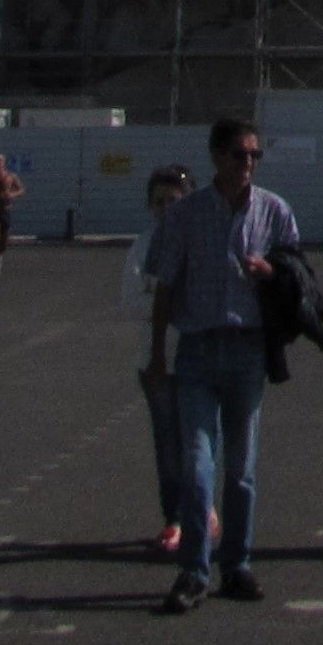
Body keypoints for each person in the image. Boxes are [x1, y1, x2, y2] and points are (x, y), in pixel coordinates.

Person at [141, 119, 302, 614]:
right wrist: (157, 354)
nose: (247, 163)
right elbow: (165, 284)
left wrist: (271, 271)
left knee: (242, 469)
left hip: (248, 348)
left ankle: (237, 563)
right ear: (215, 157)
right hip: (198, 347)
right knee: (197, 464)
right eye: (238, 154)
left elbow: (297, 274)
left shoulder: (273, 210)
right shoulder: (186, 215)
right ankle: (193, 569)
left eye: (254, 155)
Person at [121, 164, 198, 559]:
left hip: (198, 355)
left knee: (198, 443)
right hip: (156, 359)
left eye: (174, 201)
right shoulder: (145, 245)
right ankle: (176, 518)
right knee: (168, 445)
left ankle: (200, 511)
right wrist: (168, 302)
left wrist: (167, 303)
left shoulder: (200, 241)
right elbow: (131, 301)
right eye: (160, 202)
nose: (167, 209)